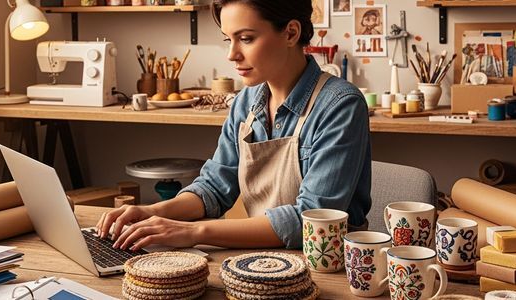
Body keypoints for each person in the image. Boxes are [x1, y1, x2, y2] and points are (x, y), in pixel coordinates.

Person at [96, 0, 371, 251]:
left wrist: (193, 231)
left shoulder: (340, 105)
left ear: (290, 33)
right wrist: (153, 212)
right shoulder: (247, 102)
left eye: (246, 39)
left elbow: (310, 222)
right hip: (260, 263)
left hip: (328, 269)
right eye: (228, 39)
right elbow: (214, 187)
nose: (231, 54)